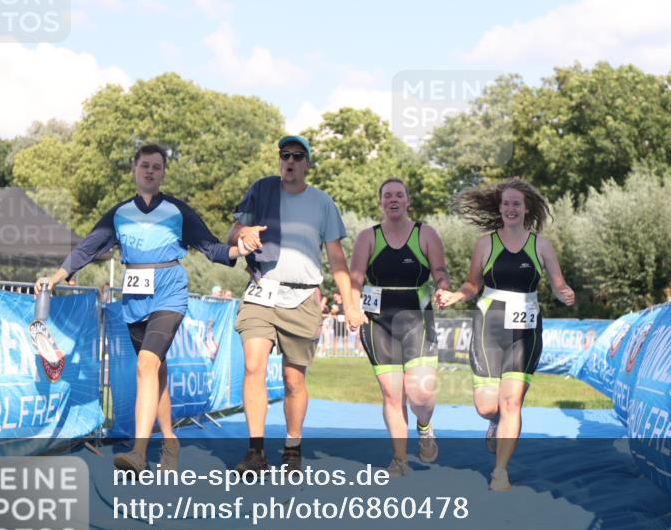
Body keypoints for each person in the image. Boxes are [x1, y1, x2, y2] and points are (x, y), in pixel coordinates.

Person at [37, 144, 250, 473]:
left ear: (163, 173)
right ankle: (169, 439)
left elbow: (212, 248)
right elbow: (87, 248)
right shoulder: (119, 214)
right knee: (155, 370)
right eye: (144, 166)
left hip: (169, 292)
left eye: (156, 167)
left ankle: (138, 452)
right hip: (134, 298)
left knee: (146, 365)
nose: (150, 171)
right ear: (134, 171)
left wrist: (241, 248)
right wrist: (55, 278)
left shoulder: (178, 211)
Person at [229, 135, 362, 474]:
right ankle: (256, 452)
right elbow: (234, 232)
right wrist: (242, 234)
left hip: (303, 297)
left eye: (297, 156)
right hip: (262, 290)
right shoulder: (262, 190)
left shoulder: (322, 202)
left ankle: (292, 446)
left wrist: (349, 304)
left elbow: (336, 259)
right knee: (254, 365)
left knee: (293, 380)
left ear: (307, 164)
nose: (289, 160)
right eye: (284, 155)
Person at [435, 178, 575, 491]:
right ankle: (494, 422)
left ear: (526, 209)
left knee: (512, 402)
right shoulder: (486, 243)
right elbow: (472, 284)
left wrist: (563, 291)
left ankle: (500, 471)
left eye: (516, 203)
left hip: (526, 329)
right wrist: (455, 297)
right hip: (490, 324)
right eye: (506, 203)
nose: (511, 208)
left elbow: (556, 282)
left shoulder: (541, 244)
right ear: (500, 208)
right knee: (487, 406)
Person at [349, 178, 451, 476]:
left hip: (417, 320)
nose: (393, 199)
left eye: (399, 195)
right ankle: (399, 458)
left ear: (407, 201)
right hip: (378, 321)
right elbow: (355, 279)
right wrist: (352, 308)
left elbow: (441, 272)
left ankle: (425, 425)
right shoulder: (368, 237)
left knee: (420, 395)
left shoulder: (425, 234)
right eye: (387, 195)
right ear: (380, 202)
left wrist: (443, 288)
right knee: (393, 395)